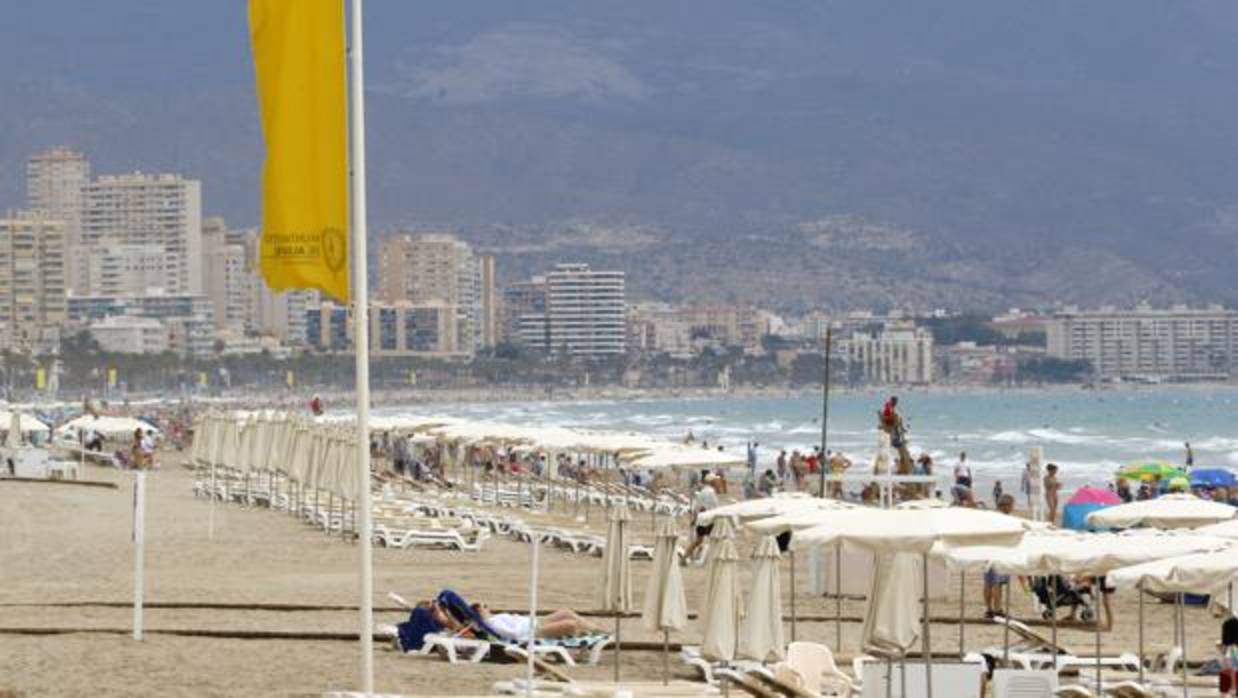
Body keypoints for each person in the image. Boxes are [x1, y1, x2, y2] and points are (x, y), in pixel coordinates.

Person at [472, 602, 600, 641]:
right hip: (531, 632)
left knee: (566, 612)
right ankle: (584, 634)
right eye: (485, 606)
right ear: (480, 611)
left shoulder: (494, 619)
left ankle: (595, 631)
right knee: (570, 624)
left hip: (533, 622)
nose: (488, 607)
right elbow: (513, 634)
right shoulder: (491, 623)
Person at [984, 494, 1018, 617]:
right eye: (1012, 505)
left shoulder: (991, 518)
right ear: (1006, 506)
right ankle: (998, 610)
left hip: (988, 553)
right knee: (997, 584)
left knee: (988, 583)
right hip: (1000, 553)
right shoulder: (1006, 520)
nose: (1013, 508)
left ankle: (989, 609)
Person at [683, 476, 720, 562]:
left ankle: (685, 558)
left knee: (698, 541)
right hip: (708, 520)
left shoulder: (703, 492)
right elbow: (706, 507)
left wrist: (695, 519)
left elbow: (698, 507)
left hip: (702, 519)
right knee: (713, 539)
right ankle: (711, 559)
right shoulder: (710, 492)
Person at [1219, 617, 1238, 696]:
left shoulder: (1227, 648)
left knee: (1223, 693)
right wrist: (1234, 686)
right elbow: (1233, 669)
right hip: (1233, 676)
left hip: (1226, 672)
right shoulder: (1234, 650)